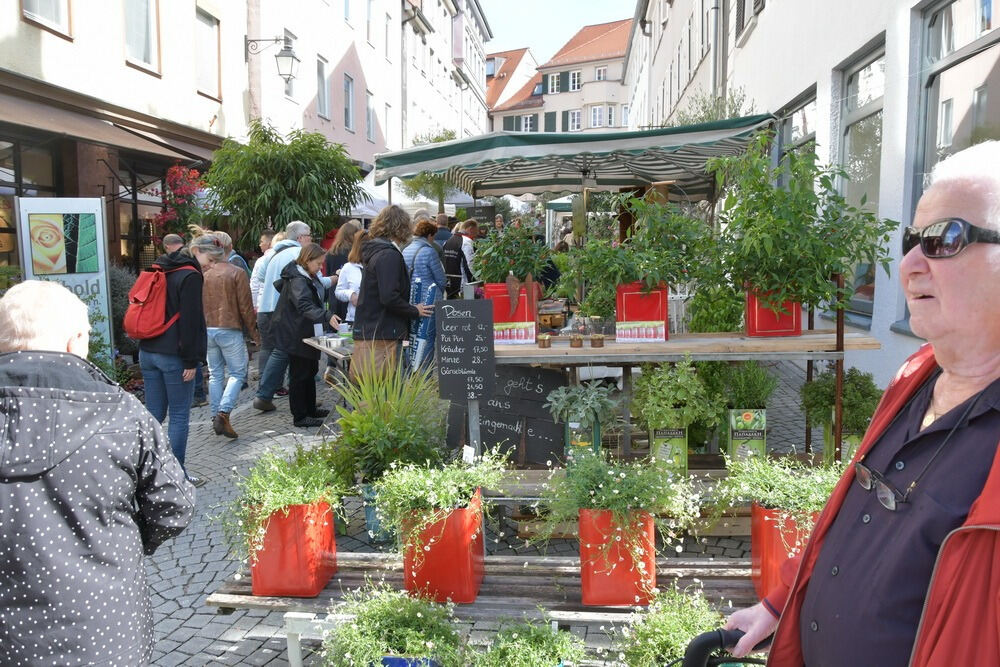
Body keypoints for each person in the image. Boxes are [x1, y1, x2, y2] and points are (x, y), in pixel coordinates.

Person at [725, 140, 1000, 667]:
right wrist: (778, 604)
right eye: (910, 240)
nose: (910, 265)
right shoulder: (915, 376)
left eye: (945, 238)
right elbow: (850, 521)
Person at [0, 280, 195, 666]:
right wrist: (113, 539)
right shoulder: (122, 414)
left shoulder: (122, 414)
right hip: (103, 626)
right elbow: (175, 504)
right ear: (74, 341)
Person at [138, 232, 219, 483]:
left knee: (154, 414)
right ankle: (176, 475)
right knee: (180, 415)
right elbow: (192, 321)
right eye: (210, 259)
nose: (211, 265)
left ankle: (145, 472)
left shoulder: (160, 266)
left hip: (147, 350)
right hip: (173, 355)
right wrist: (191, 360)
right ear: (196, 251)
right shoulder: (190, 275)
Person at [351, 205, 433, 379]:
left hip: (373, 330)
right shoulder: (388, 254)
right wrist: (414, 310)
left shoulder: (377, 251)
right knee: (384, 392)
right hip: (382, 332)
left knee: (373, 391)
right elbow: (389, 297)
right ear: (401, 227)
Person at [255, 221, 322, 411]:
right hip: (286, 312)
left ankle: (267, 394)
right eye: (309, 235)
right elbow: (314, 282)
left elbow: (261, 277)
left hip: (267, 307)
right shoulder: (300, 255)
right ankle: (285, 397)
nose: (311, 238)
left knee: (273, 351)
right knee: (291, 353)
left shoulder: (272, 254)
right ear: (300, 238)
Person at [270, 243, 340, 427]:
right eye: (318, 263)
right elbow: (304, 305)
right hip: (295, 331)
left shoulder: (305, 275)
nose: (320, 267)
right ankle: (300, 416)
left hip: (302, 329)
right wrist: (326, 315)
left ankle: (310, 409)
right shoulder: (298, 279)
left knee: (309, 370)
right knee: (300, 374)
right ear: (307, 260)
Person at [202, 239, 260, 439]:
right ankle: (223, 413)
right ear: (227, 250)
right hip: (229, 328)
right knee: (237, 373)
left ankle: (215, 416)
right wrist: (254, 333)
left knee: (215, 374)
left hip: (208, 328)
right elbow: (245, 306)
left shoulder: (204, 274)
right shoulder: (237, 272)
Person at [324, 220, 360, 321]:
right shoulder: (352, 253)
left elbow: (328, 274)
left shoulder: (330, 253)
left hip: (334, 294)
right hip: (349, 295)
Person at [335, 230, 368, 325]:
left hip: (376, 319)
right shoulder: (348, 267)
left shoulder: (378, 265)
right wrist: (351, 295)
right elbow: (338, 292)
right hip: (354, 319)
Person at [442, 219, 478, 298]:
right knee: (467, 308)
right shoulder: (466, 242)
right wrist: (478, 279)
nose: (476, 234)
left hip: (448, 282)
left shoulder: (448, 241)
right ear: (470, 229)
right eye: (475, 231)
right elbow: (470, 264)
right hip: (463, 284)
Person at [250, 231, 285, 310]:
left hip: (263, 304)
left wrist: (254, 305)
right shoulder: (289, 258)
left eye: (262, 242)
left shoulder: (261, 261)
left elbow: (255, 286)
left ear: (270, 243)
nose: (260, 245)